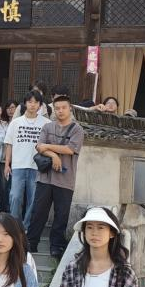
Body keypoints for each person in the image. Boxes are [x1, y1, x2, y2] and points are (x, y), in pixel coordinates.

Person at [27, 94, 85, 258]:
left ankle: (56, 246)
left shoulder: (77, 129)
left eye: (64, 107)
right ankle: (31, 243)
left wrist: (48, 147)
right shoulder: (47, 127)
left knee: (61, 215)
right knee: (38, 212)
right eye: (57, 108)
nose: (60, 111)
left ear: (70, 109)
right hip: (45, 177)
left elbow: (70, 149)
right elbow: (39, 147)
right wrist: (54, 156)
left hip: (65, 180)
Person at [3, 90, 51, 231]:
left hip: (37, 167)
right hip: (18, 166)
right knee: (15, 197)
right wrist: (7, 164)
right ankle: (14, 226)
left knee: (33, 199)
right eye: (30, 102)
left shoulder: (47, 123)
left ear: (40, 105)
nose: (32, 105)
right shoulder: (15, 122)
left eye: (36, 102)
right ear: (25, 103)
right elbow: (9, 144)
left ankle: (27, 227)